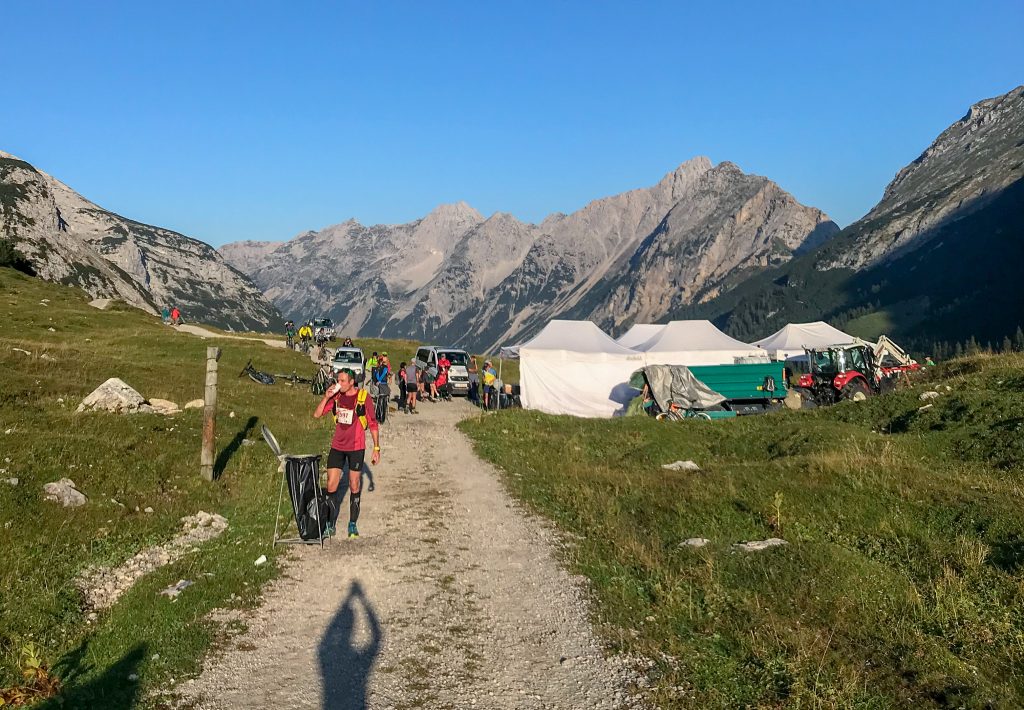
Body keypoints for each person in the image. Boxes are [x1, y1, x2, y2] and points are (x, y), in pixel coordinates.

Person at [314, 368, 381, 539]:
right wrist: (326, 397)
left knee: (354, 485)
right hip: (337, 446)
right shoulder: (336, 396)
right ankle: (330, 523)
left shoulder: (363, 397)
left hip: (356, 447)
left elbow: (372, 423)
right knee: (331, 485)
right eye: (338, 380)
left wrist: (376, 448)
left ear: (352, 382)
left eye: (343, 381)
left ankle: (352, 523)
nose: (339, 384)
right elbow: (317, 414)